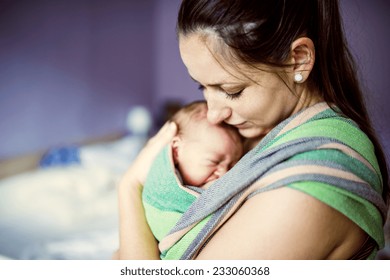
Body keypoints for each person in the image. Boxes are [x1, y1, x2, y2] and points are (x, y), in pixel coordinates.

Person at [116, 0, 389, 260]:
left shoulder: (310, 186)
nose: (213, 113)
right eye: (203, 87)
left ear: (299, 60)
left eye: (231, 90)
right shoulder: (254, 136)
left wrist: (130, 187)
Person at [141, 101, 243, 258]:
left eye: (232, 165)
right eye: (214, 162)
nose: (225, 172)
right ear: (176, 150)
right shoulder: (161, 187)